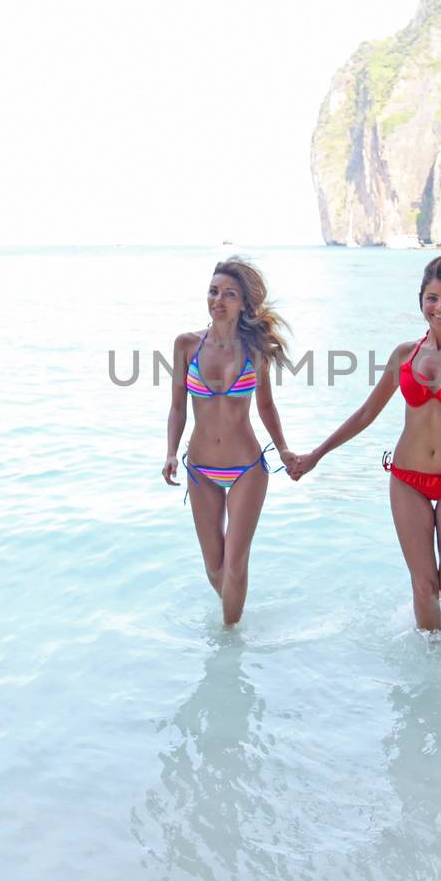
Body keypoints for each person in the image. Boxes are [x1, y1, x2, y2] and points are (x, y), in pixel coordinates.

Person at [287, 248, 441, 631]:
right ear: (421, 300)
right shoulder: (404, 355)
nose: (439, 307)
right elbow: (366, 413)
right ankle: (431, 667)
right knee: (424, 587)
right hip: (407, 479)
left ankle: (436, 634)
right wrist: (316, 455)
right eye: (432, 298)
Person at [163, 257, 295, 626]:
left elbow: (266, 406)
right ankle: (235, 625)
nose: (218, 300)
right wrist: (171, 453)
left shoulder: (256, 349)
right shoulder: (186, 345)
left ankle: (230, 648)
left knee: (235, 565)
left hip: (247, 469)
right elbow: (177, 408)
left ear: (244, 304)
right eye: (213, 291)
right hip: (200, 469)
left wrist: (283, 448)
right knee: (215, 568)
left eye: (229, 294)